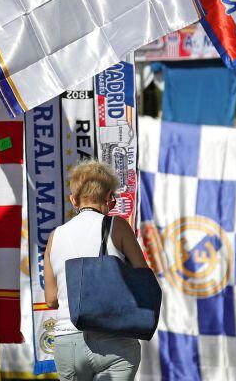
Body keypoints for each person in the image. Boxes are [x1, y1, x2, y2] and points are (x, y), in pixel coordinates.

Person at [43, 160, 151, 381]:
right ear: (110, 197)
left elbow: (52, 299)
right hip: (114, 340)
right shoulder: (118, 227)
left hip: (68, 341)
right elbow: (143, 279)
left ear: (73, 200)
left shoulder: (55, 237)